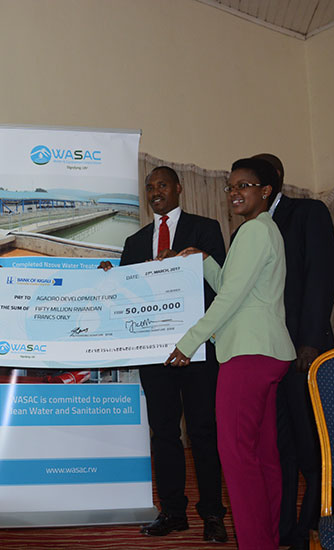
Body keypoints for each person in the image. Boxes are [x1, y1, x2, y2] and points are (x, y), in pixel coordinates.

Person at [166, 157, 296, 550]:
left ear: (266, 191)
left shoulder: (255, 232)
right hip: (269, 351)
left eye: (245, 186)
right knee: (262, 455)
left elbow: (230, 299)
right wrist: (203, 260)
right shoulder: (260, 231)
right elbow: (233, 285)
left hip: (248, 354)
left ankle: (255, 543)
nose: (235, 193)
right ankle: (268, 539)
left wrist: (189, 341)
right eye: (231, 187)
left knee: (237, 458)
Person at [104, 166, 228, 542]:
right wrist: (110, 277)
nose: (155, 191)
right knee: (164, 434)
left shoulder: (205, 229)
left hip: (196, 351)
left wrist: (190, 260)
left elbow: (222, 284)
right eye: (149, 187)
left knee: (204, 433)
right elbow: (126, 296)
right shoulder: (135, 241)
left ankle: (212, 515)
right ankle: (173, 511)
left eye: (162, 185)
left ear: (177, 188)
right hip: (154, 355)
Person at [253, 153, 334, 550]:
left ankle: (313, 525)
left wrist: (311, 341)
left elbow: (321, 275)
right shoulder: (248, 231)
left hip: (304, 351)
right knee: (279, 446)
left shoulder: (308, 212)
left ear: (274, 180)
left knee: (312, 446)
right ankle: (286, 528)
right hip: (268, 356)